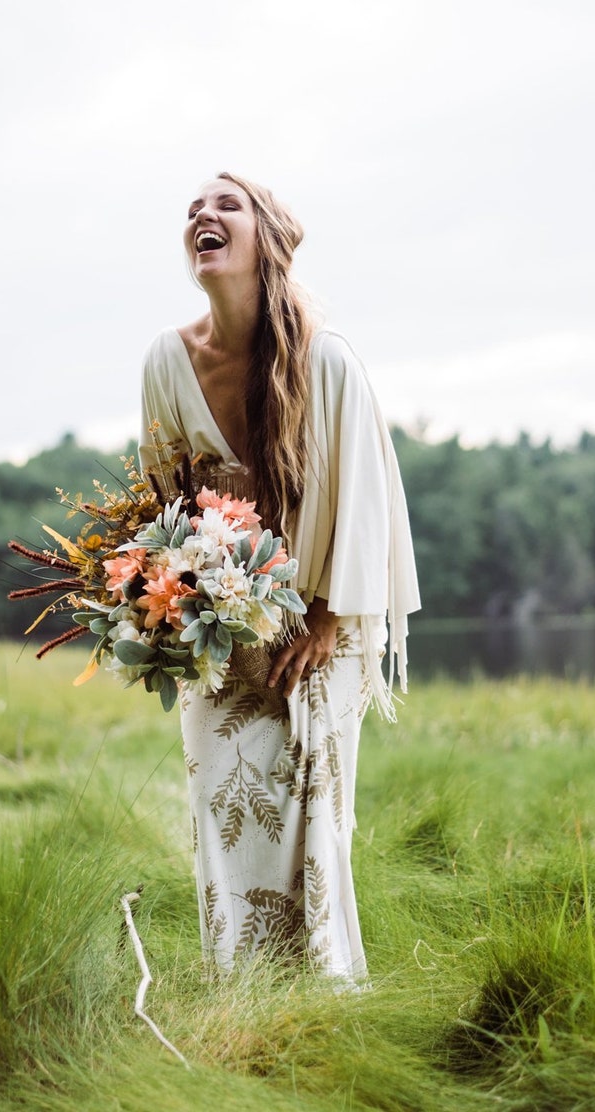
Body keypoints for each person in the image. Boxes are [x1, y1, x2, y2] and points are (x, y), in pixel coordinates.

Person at [138, 171, 420, 985]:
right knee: (223, 809)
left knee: (307, 816)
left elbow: (365, 501)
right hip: (221, 625)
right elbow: (165, 500)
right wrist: (171, 606)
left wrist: (325, 623)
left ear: (267, 235)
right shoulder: (167, 359)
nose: (203, 214)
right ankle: (242, 994)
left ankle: (322, 991)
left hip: (325, 615)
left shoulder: (326, 359)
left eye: (225, 204)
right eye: (193, 208)